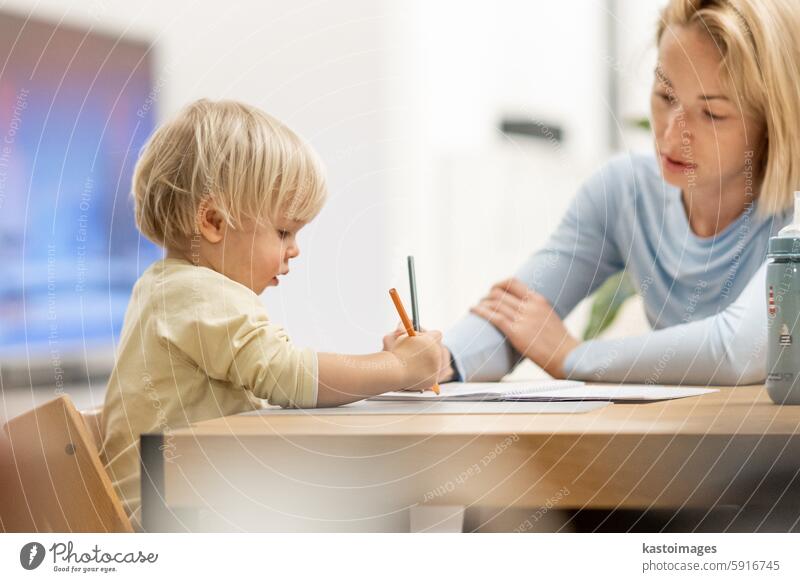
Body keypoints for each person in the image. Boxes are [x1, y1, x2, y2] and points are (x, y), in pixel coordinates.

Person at [100, 99, 445, 529]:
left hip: (183, 505)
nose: (294, 248)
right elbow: (287, 375)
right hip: (177, 521)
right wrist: (395, 367)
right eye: (284, 231)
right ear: (213, 221)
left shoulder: (163, 287)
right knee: (378, 504)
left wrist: (393, 367)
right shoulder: (197, 293)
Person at [443, 0, 800, 386]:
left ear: (772, 121)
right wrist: (438, 360)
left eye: (711, 114)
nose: (669, 134)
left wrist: (573, 357)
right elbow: (517, 313)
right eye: (666, 96)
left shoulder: (792, 213)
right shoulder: (624, 193)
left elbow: (741, 350)